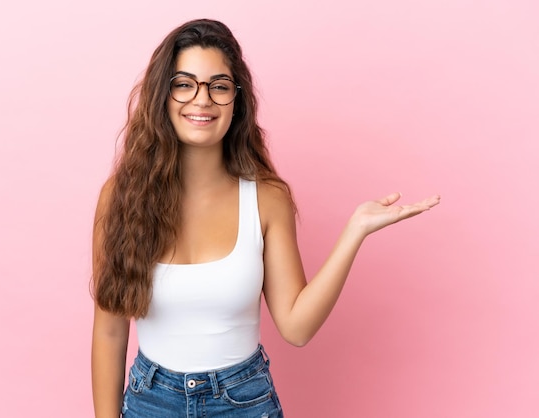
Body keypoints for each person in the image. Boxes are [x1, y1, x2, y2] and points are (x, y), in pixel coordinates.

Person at [90, 18, 440, 418]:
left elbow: (296, 327)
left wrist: (354, 231)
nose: (202, 100)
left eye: (218, 86)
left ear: (236, 100)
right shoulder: (120, 198)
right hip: (149, 400)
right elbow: (110, 330)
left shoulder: (267, 198)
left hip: (243, 402)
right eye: (184, 84)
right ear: (162, 96)